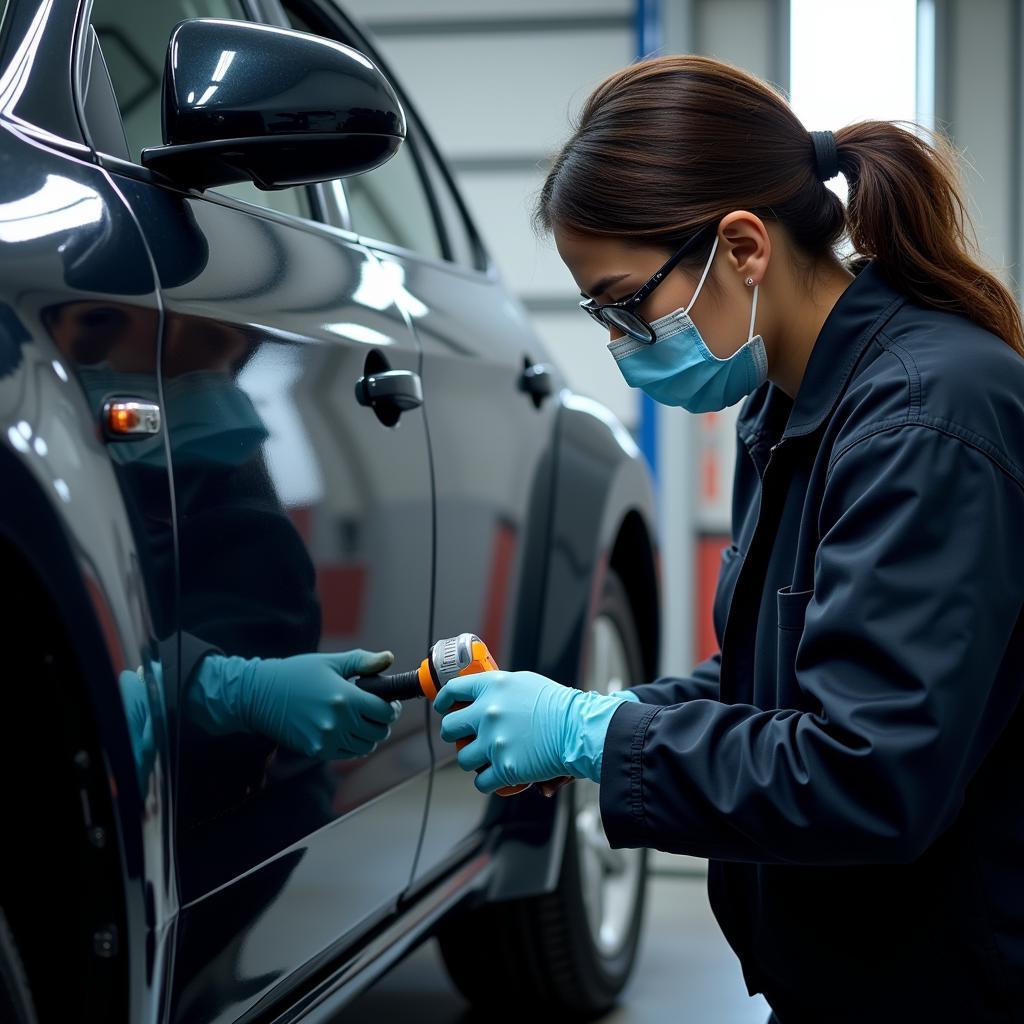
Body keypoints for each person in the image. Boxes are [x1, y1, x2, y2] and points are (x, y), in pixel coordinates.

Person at [433, 55, 1024, 1023]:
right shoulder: (793, 407)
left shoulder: (923, 418)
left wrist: (599, 738)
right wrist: (592, 716)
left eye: (629, 303)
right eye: (600, 316)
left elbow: (863, 772)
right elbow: (777, 677)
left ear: (743, 247)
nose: (622, 346)